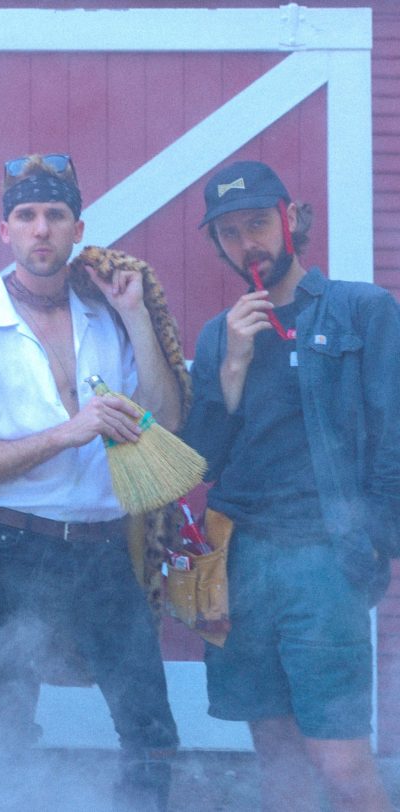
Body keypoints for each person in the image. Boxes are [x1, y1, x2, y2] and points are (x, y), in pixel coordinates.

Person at [0, 153, 180, 810]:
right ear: (4, 230)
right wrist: (68, 433)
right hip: (17, 549)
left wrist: (136, 316)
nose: (41, 228)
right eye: (26, 215)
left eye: (55, 214)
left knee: (150, 731)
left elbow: (166, 419)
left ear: (78, 228)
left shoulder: (108, 316)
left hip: (106, 545)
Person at [182, 160, 398, 811]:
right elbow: (202, 463)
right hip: (239, 558)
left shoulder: (363, 310)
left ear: (291, 219)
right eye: (229, 232)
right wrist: (232, 366)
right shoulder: (219, 335)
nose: (247, 243)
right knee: (275, 756)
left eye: (258, 223)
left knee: (341, 764)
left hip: (323, 558)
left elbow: (393, 436)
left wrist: (373, 543)